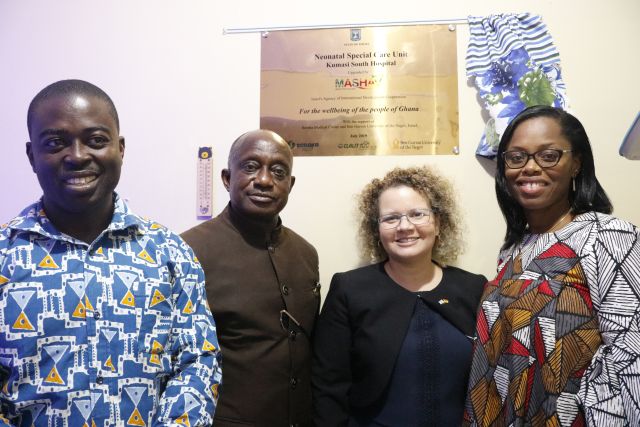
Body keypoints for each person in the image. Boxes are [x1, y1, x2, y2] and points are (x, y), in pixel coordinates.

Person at [0, 80, 222, 427]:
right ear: (32, 156)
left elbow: (197, 362)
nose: (77, 156)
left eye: (96, 141)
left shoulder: (170, 254)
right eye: (56, 143)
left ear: (120, 148)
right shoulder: (5, 257)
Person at [464, 106, 640, 426]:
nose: (530, 167)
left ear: (576, 164)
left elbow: (632, 358)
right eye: (516, 157)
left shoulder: (609, 236)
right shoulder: (514, 251)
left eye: (548, 155)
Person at [313, 166, 487, 426]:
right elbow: (328, 386)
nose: (405, 226)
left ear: (438, 223)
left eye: (418, 214)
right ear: (377, 230)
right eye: (391, 218)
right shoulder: (349, 290)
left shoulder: (473, 288)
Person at [181, 129, 320, 427]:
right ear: (227, 178)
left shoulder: (306, 253)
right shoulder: (188, 251)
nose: (265, 180)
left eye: (278, 172)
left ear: (290, 185)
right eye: (251, 167)